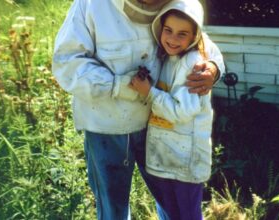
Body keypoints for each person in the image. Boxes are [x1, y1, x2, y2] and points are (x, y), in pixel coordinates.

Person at [52, 0, 224, 219]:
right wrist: (119, 85)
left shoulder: (178, 4)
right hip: (106, 126)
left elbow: (200, 42)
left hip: (160, 127)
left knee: (172, 205)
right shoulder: (91, 5)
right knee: (113, 208)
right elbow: (67, 62)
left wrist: (213, 69)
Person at [129, 1, 217, 219]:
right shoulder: (167, 58)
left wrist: (149, 92)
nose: (172, 39)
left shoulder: (193, 64)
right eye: (168, 30)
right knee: (171, 213)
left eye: (182, 34)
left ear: (195, 36)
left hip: (187, 161)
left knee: (187, 215)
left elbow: (182, 112)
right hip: (170, 156)